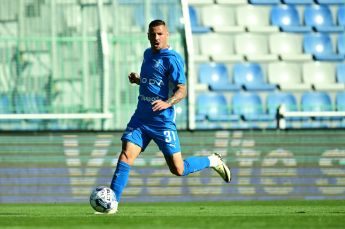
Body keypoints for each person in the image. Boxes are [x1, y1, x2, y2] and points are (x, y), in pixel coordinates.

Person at [109, 19, 231, 213]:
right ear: (148, 36)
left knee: (178, 169)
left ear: (167, 35)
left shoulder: (172, 59)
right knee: (126, 155)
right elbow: (155, 82)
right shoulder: (148, 54)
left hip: (162, 122)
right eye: (152, 34)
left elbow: (182, 90)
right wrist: (139, 81)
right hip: (141, 118)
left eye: (160, 34)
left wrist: (167, 102)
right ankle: (112, 202)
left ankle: (213, 160)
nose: (156, 38)